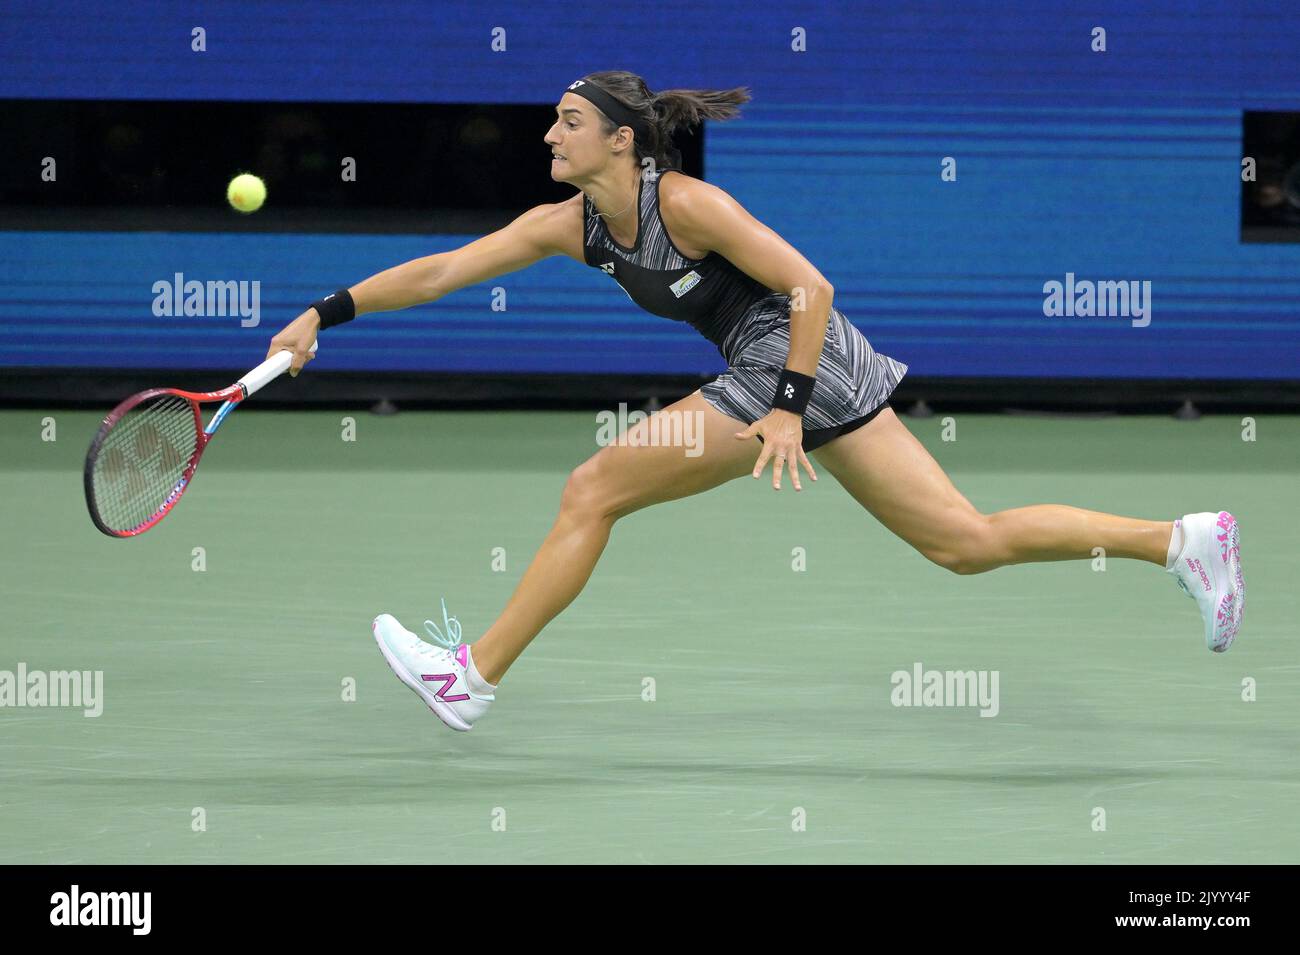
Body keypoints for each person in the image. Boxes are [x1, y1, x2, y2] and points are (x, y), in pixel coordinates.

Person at [266, 71, 1245, 733]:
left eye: (567, 121)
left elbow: (810, 288)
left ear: (620, 138)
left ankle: (470, 677)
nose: (547, 133)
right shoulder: (567, 225)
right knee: (963, 541)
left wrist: (782, 405)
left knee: (594, 486)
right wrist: (322, 312)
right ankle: (1179, 539)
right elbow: (442, 271)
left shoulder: (685, 204)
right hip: (815, 370)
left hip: (794, 357)